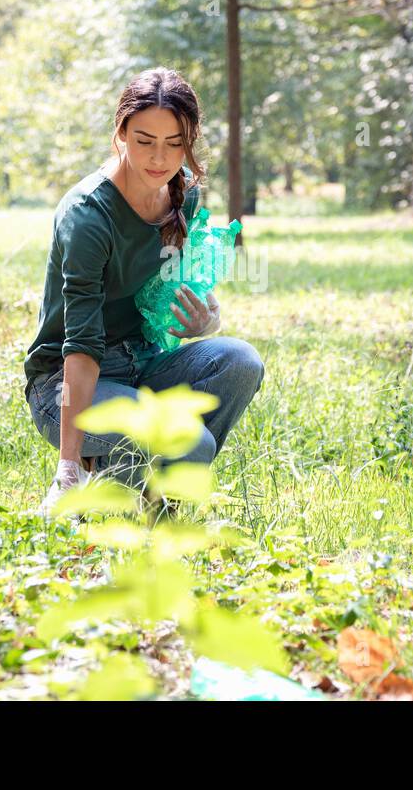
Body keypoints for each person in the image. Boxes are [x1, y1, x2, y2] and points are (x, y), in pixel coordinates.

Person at [23, 67, 265, 513]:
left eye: (175, 143)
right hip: (65, 383)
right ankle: (104, 479)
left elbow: (173, 288)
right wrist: (67, 469)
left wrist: (207, 320)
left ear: (190, 140)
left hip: (144, 363)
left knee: (240, 362)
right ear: (120, 132)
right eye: (144, 140)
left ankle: (151, 497)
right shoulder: (88, 216)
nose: (159, 158)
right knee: (192, 443)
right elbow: (80, 346)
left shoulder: (181, 198)